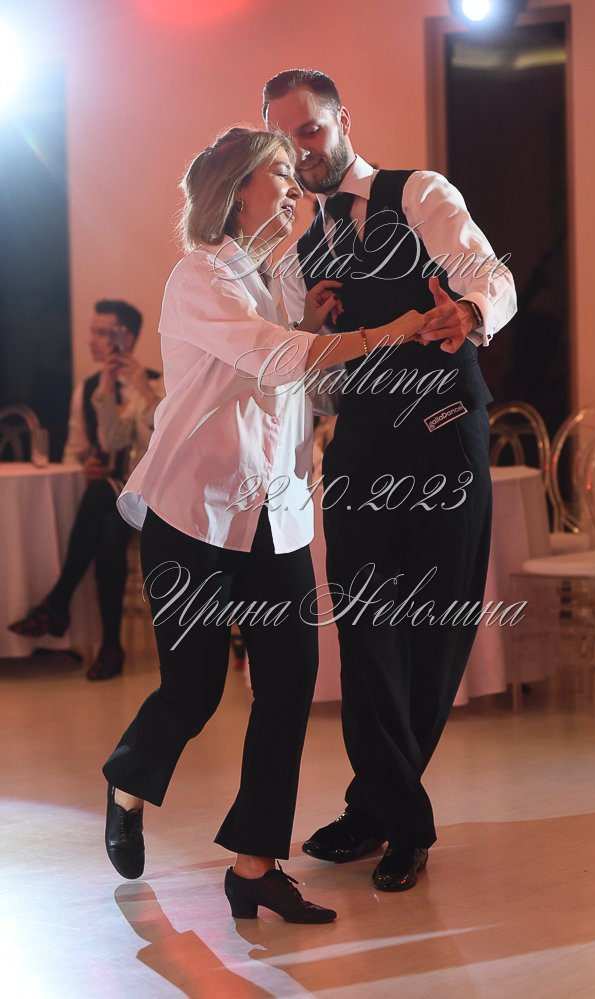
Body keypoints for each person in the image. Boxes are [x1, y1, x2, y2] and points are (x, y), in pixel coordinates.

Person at [100, 126, 427, 924]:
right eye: (278, 172)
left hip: (276, 516)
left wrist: (316, 332)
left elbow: (296, 387)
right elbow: (274, 359)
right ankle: (128, 778)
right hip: (195, 512)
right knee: (195, 689)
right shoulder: (200, 275)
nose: (293, 185)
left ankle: (255, 865)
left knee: (287, 685)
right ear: (236, 187)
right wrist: (387, 330)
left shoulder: (276, 277)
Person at [264, 69, 518, 891]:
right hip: (362, 448)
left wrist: (468, 313)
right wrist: (308, 335)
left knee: (433, 632)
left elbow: (493, 277)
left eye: (310, 130)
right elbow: (305, 377)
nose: (302, 151)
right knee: (365, 631)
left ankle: (375, 808)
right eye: (285, 139)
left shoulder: (418, 194)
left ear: (341, 120)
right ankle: (398, 819)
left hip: (444, 436)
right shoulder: (297, 253)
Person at [8, 300, 163, 680]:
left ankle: (57, 603)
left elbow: (162, 445)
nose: (93, 340)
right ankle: (110, 646)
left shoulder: (158, 382)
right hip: (112, 502)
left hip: (154, 500)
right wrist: (106, 392)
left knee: (101, 499)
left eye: (103, 332)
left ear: (128, 337)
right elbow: (106, 445)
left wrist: (143, 389)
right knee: (107, 523)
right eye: (93, 331)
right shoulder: (91, 390)